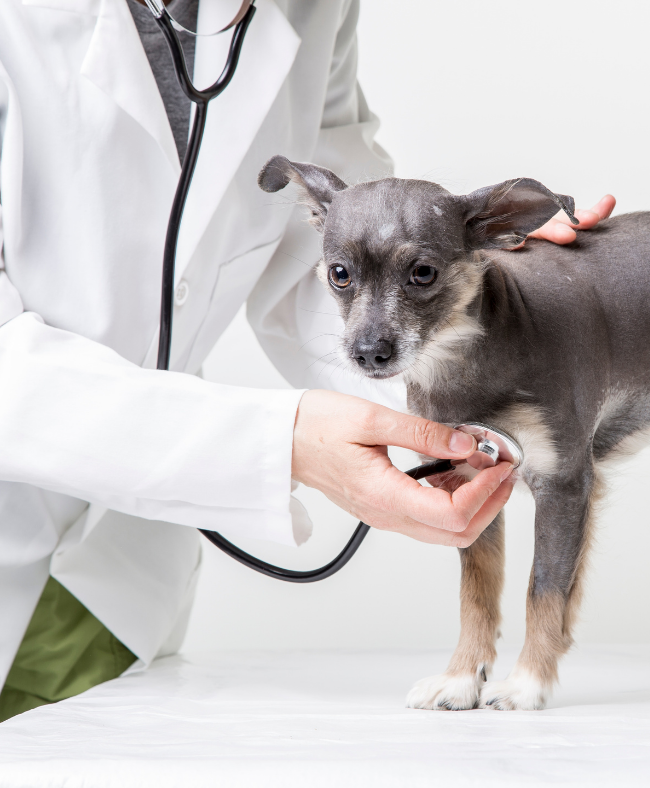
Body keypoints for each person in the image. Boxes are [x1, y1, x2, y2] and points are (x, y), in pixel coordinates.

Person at [0, 0, 614, 721]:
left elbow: (334, 251)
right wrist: (280, 442)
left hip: (118, 584)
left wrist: (533, 352)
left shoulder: (313, 7)